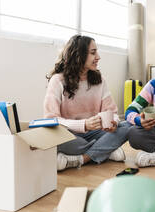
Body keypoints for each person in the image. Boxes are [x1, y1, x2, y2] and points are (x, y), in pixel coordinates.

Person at [44, 35, 130, 171]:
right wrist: (84, 124)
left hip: (95, 133)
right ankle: (106, 150)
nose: (98, 57)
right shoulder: (58, 81)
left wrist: (113, 123)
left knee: (127, 126)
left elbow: (112, 113)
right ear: (78, 55)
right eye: (93, 52)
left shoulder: (99, 80)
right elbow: (51, 120)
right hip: (70, 135)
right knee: (51, 138)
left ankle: (82, 159)